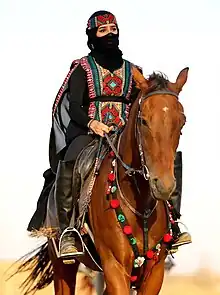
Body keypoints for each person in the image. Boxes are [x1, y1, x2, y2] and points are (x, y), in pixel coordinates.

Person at [27, 10, 191, 259]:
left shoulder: (133, 70)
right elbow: (74, 107)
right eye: (103, 31)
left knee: (165, 156)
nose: (110, 35)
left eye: (113, 30)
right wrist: (93, 123)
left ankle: (173, 221)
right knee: (71, 159)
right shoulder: (82, 68)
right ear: (92, 35)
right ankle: (68, 229)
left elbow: (141, 107)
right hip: (89, 132)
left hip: (123, 135)